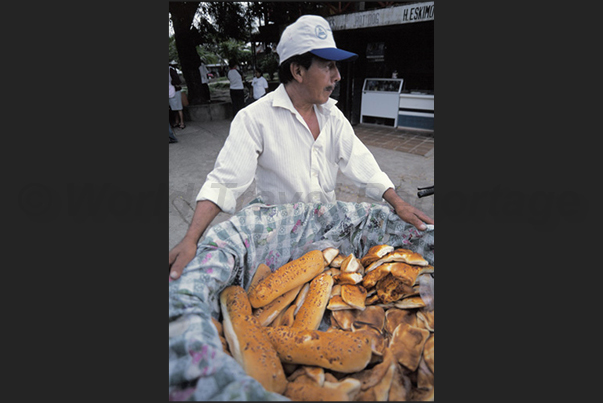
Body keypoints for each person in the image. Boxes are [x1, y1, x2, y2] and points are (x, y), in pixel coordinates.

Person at [169, 15, 433, 280]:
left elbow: (361, 161)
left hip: (326, 236)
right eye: (328, 66)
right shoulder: (255, 119)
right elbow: (225, 181)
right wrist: (191, 239)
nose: (337, 76)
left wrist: (397, 203)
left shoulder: (332, 116)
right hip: (278, 241)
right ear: (297, 71)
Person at [169, 61, 186, 129]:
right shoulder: (171, 70)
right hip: (174, 90)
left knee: (177, 108)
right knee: (176, 108)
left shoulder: (171, 70)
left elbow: (177, 80)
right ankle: (179, 122)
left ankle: (180, 122)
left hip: (173, 91)